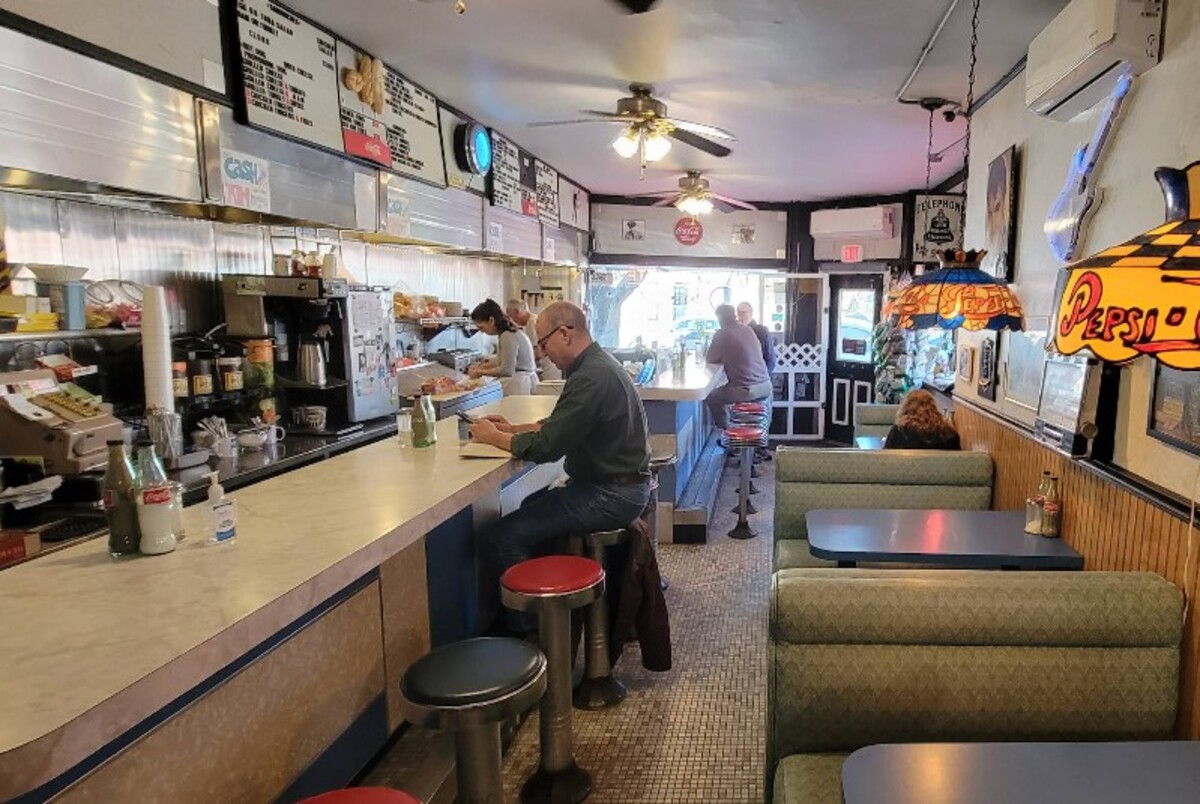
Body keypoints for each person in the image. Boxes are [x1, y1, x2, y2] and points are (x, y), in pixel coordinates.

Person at [469, 301, 652, 632]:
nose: (541, 353)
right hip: (620, 487)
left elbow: (546, 447)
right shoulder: (596, 365)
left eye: (543, 343)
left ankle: (532, 635)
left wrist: (493, 436)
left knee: (501, 536)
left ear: (565, 334)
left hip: (610, 494)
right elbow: (562, 425)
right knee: (530, 504)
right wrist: (511, 429)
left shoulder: (591, 377)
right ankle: (552, 613)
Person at [704, 304, 772, 428]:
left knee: (712, 397)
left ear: (719, 319)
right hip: (766, 386)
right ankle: (742, 431)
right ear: (734, 315)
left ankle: (728, 430)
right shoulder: (747, 330)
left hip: (747, 390)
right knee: (726, 393)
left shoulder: (722, 333)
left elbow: (711, 359)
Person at [468, 299, 536, 396]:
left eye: (481, 327)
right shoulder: (509, 333)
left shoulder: (507, 335)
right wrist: (485, 366)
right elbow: (507, 360)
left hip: (519, 385)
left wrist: (480, 372)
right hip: (522, 382)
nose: (482, 332)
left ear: (491, 320)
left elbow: (507, 370)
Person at [883, 389, 961, 450]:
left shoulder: (900, 430)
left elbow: (886, 456)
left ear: (906, 407)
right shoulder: (949, 432)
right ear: (933, 407)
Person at [507, 298, 562, 381]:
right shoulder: (534, 320)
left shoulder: (531, 323)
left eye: (511, 317)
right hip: (549, 364)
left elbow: (538, 352)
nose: (512, 321)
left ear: (517, 312)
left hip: (548, 367)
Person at [736, 301, 777, 374]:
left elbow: (770, 358)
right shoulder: (736, 332)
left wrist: (763, 376)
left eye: (743, 312)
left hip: (759, 374)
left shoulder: (762, 331)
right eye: (738, 313)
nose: (741, 316)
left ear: (751, 313)